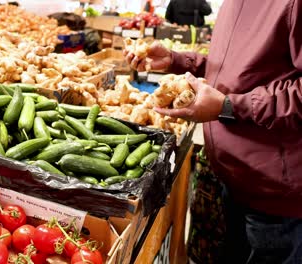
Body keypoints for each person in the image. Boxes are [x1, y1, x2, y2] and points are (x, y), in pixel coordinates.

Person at [125, 0, 302, 263]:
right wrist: (176, 60)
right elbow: (233, 70)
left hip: (275, 195)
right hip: (232, 175)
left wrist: (230, 106)